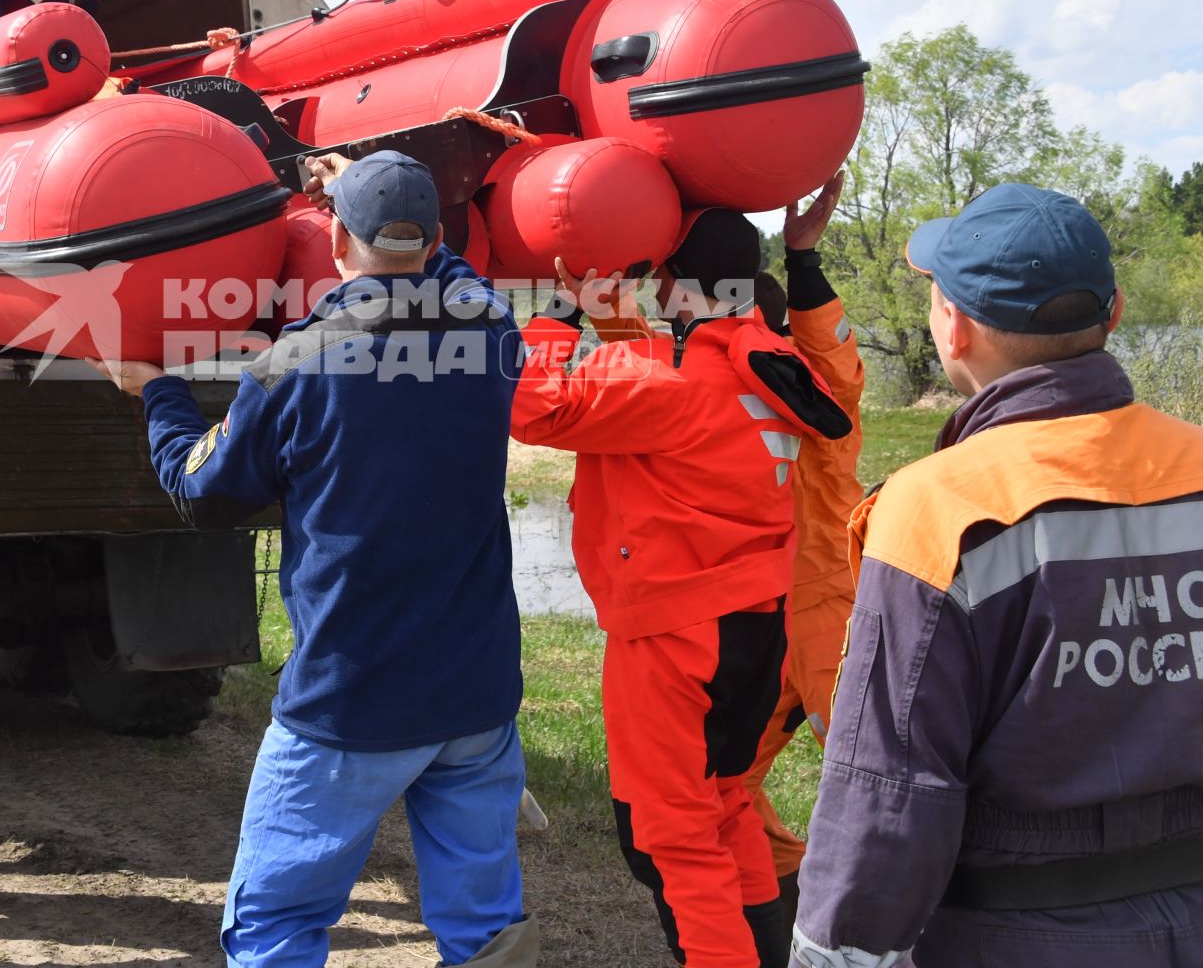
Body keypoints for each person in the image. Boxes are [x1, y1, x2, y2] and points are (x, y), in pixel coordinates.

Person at [791, 184, 1203, 968]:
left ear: (956, 328)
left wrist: (835, 957)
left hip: (1004, 935)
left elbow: (892, 787)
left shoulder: (937, 511)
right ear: (1111, 317)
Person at [93, 150, 538, 967]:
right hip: (475, 696)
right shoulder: (493, 331)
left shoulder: (296, 363)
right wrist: (378, 195)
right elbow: (447, 276)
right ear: (437, 238)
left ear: (333, 237)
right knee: (486, 933)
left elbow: (207, 494)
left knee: (275, 924)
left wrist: (158, 394)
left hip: (351, 697)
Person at [510, 209, 851, 968]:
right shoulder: (768, 356)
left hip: (675, 637)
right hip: (758, 626)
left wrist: (560, 315)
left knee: (672, 842)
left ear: (667, 280)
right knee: (729, 813)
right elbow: (666, 397)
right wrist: (606, 313)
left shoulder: (666, 377)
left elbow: (533, 405)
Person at [732, 175, 867, 928]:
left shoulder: (817, 390)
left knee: (880, 770)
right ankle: (784, 887)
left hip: (827, 607)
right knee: (725, 778)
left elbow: (833, 356)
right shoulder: (710, 374)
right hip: (758, 613)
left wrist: (805, 260)